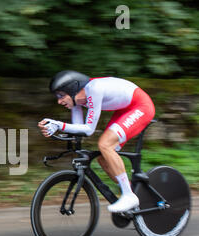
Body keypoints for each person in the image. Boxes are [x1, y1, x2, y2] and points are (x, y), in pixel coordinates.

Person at [38, 70, 155, 213]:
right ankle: (132, 192)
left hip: (141, 106)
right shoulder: (76, 101)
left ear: (73, 90)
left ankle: (129, 196)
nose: (59, 101)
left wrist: (59, 125)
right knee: (103, 160)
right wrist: (53, 129)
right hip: (124, 109)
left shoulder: (94, 89)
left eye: (61, 95)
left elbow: (88, 129)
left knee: (105, 144)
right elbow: (78, 130)